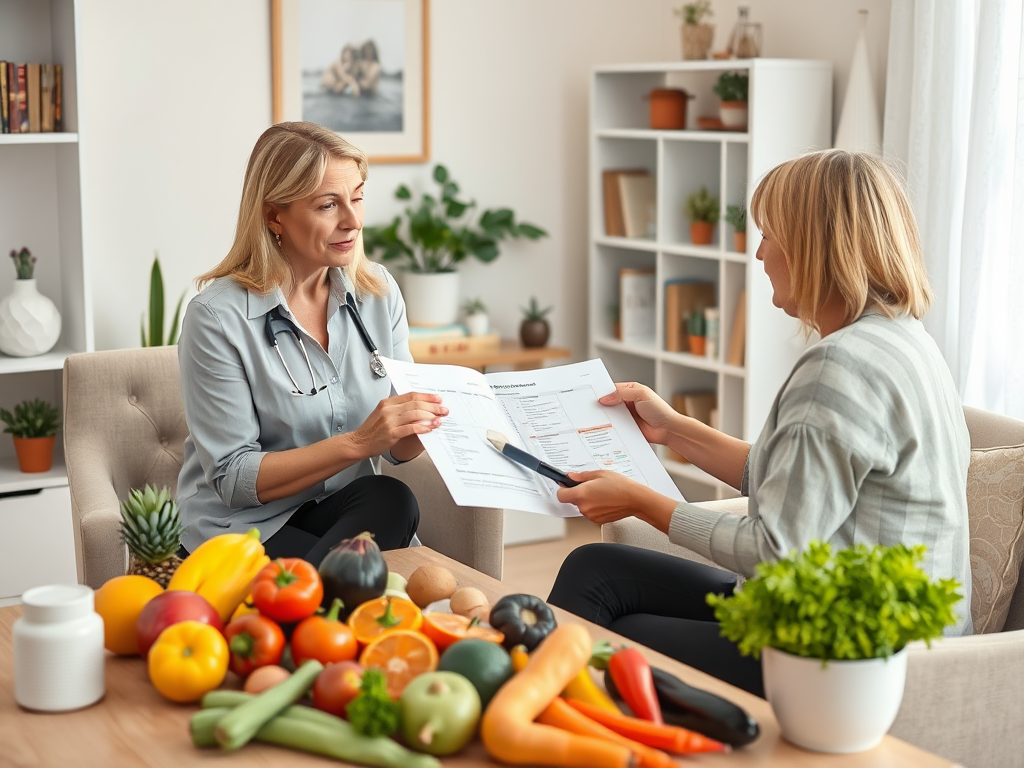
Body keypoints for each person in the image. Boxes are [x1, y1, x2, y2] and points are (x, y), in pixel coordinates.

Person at [548, 149, 973, 696]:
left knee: (617, 635)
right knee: (595, 571)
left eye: (770, 234)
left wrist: (641, 502)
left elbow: (777, 550)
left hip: (849, 654)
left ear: (812, 248)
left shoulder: (840, 367)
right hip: (868, 622)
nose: (759, 252)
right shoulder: (904, 339)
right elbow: (797, 485)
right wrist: (674, 428)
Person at [175, 121, 447, 566]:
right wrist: (359, 442)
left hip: (340, 512)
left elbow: (398, 450)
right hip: (242, 527)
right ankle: (320, 599)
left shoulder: (378, 292)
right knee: (366, 561)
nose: (353, 221)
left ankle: (302, 603)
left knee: (391, 497)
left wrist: (427, 424)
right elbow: (234, 478)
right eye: (328, 205)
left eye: (357, 197)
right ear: (273, 215)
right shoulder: (216, 318)